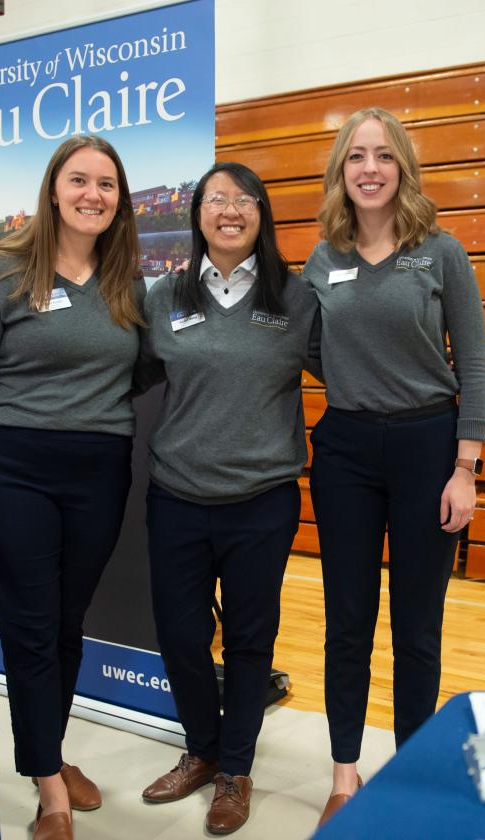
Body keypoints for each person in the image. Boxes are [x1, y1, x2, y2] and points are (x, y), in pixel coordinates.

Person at [0, 135, 144, 840]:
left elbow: (144, 370)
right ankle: (49, 791)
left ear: (120, 200)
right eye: (79, 180)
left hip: (99, 473)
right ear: (53, 190)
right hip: (15, 470)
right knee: (30, 631)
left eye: (107, 185)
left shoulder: (126, 285)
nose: (93, 194)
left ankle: (50, 755)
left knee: (65, 627)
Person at [303, 107, 485, 825]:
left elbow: (472, 362)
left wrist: (465, 466)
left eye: (383, 155)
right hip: (346, 450)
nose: (370, 168)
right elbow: (312, 349)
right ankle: (345, 776)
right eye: (357, 157)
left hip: (427, 449)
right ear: (341, 172)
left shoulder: (439, 252)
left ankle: (411, 773)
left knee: (417, 625)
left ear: (402, 167)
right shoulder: (325, 259)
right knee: (347, 621)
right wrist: (355, 376)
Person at [138, 162, 321, 835]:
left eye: (245, 200)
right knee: (182, 638)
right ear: (198, 216)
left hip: (261, 501)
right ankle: (203, 750)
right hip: (177, 497)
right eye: (217, 199)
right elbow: (128, 372)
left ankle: (235, 768)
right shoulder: (167, 295)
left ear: (262, 215)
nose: (231, 211)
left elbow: (349, 368)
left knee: (250, 639)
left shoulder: (295, 299)